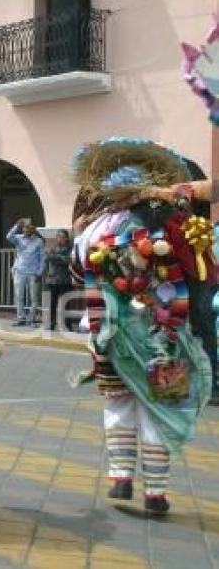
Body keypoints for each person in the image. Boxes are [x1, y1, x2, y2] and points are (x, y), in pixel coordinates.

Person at [72, 137, 213, 515]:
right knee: (159, 405)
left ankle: (120, 475)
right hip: (161, 331)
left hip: (106, 333)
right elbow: (198, 272)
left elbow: (76, 269)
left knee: (118, 402)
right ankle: (156, 490)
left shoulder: (93, 228)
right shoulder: (170, 224)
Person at [6, 218, 46, 327]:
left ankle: (31, 319)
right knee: (18, 296)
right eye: (24, 227)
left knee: (34, 297)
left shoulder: (38, 241)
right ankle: (21, 318)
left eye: (29, 227)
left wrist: (40, 272)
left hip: (33, 272)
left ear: (33, 229)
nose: (26, 229)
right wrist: (16, 225)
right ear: (22, 229)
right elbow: (8, 236)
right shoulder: (18, 238)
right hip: (19, 271)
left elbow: (42, 257)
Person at [44, 229, 73, 331]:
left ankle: (67, 325)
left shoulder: (70, 248)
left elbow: (68, 260)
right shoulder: (53, 248)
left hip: (65, 279)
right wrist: (59, 258)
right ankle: (52, 323)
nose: (61, 239)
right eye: (59, 237)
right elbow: (47, 258)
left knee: (66, 303)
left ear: (67, 238)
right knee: (52, 304)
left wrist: (55, 257)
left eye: (63, 237)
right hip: (53, 279)